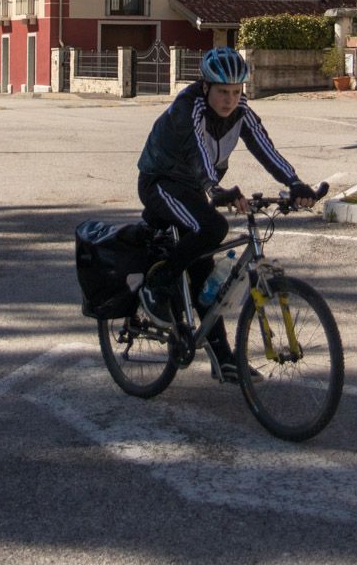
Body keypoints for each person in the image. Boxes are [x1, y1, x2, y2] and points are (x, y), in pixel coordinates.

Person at [135, 46, 318, 383]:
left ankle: (224, 361)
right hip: (162, 182)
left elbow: (265, 147)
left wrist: (294, 182)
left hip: (195, 189)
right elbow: (200, 153)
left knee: (206, 274)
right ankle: (156, 285)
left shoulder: (242, 112)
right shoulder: (189, 108)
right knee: (212, 227)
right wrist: (214, 190)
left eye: (236, 92)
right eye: (222, 92)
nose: (230, 100)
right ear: (206, 87)